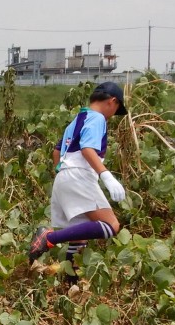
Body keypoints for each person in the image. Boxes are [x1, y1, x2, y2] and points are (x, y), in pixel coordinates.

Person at [28, 81, 128, 266]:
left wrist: (62, 171)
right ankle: (49, 237)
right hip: (79, 176)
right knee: (111, 226)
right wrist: (106, 176)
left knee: (79, 241)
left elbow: (56, 152)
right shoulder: (98, 118)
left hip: (64, 177)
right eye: (116, 109)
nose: (113, 115)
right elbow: (87, 149)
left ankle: (70, 287)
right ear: (112, 101)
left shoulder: (77, 120)